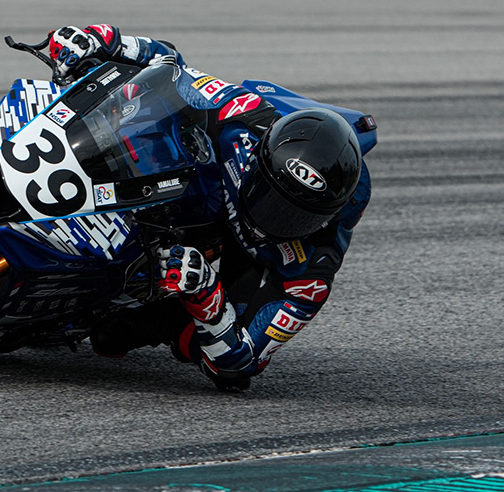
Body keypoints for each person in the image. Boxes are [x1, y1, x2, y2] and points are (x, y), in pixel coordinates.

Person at [46, 24, 373, 392]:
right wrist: (102, 39)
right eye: (271, 200)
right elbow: (168, 65)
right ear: (257, 163)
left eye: (297, 217)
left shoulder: (313, 269)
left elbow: (241, 366)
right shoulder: (242, 116)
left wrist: (206, 295)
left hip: (243, 257)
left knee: (120, 338)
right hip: (212, 178)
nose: (273, 221)